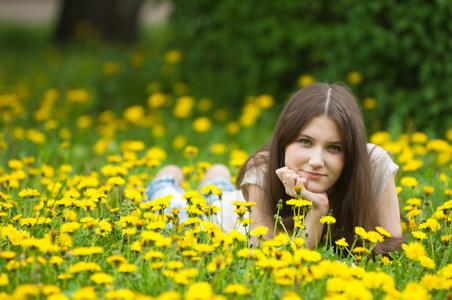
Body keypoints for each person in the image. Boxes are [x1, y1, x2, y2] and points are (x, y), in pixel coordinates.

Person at [144, 82, 403, 253]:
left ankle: (217, 178)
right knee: (170, 207)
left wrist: (317, 204)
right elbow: (274, 261)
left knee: (218, 188)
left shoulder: (373, 164)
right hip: (220, 217)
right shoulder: (262, 168)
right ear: (284, 140)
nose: (316, 160)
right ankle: (168, 177)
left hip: (231, 200)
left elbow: (391, 247)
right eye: (305, 142)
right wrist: (317, 210)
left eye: (334, 148)